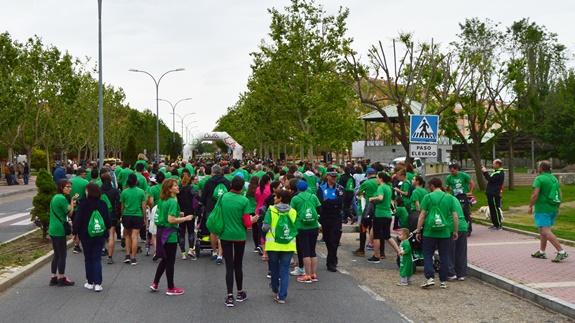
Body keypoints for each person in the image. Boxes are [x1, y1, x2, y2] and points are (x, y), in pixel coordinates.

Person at [219, 176, 258, 307]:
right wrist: (254, 219)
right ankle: (240, 292)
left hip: (225, 234)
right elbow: (247, 222)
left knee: (228, 265)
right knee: (238, 264)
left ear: (231, 185)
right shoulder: (244, 200)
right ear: (242, 187)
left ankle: (229, 296)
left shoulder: (223, 197)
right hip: (240, 235)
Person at [151, 179, 193, 296]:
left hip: (161, 232)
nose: (178, 187)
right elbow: (170, 219)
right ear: (169, 189)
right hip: (170, 234)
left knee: (164, 259)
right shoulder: (173, 201)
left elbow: (164, 214)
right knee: (170, 261)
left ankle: (155, 283)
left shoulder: (162, 200)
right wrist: (185, 218)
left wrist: (179, 214)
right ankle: (170, 287)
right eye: (175, 186)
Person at [416, 178, 459, 289]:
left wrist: (418, 230)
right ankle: (443, 281)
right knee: (444, 255)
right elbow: (455, 215)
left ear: (432, 186)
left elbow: (422, 215)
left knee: (427, 254)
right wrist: (455, 230)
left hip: (429, 232)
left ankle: (430, 277)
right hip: (444, 232)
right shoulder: (449, 198)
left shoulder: (427, 197)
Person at [73, 183, 111, 292]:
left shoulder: (83, 204)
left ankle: (90, 282)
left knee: (88, 258)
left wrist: (75, 233)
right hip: (99, 235)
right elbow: (108, 221)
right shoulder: (103, 204)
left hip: (85, 235)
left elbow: (78, 220)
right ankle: (98, 283)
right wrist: (107, 231)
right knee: (97, 258)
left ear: (88, 192)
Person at [529, 161, 568, 263]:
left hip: (542, 208)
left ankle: (561, 251)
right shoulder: (553, 178)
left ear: (541, 168)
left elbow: (535, 194)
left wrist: (530, 206)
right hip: (553, 208)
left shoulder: (539, 178)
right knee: (543, 230)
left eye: (538, 166)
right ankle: (542, 251)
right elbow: (559, 193)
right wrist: (558, 206)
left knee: (545, 231)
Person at [263, 190, 297, 304]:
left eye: (275, 197)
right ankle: (282, 296)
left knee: (274, 268)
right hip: (288, 244)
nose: (274, 198)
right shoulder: (293, 211)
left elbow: (265, 227)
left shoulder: (271, 210)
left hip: (273, 245)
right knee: (285, 270)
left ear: (280, 198)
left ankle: (275, 287)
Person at [290, 180, 321, 283]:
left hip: (301, 227)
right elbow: (319, 209)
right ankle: (313, 274)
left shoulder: (295, 198)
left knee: (305, 251)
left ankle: (306, 275)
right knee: (313, 251)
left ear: (298, 188)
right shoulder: (313, 196)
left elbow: (292, 213)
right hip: (314, 226)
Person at [48, 179, 77, 287]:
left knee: (56, 253)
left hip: (52, 228)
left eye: (70, 187)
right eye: (67, 187)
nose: (69, 189)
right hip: (59, 229)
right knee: (62, 255)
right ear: (61, 187)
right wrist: (72, 203)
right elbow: (70, 213)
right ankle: (61, 278)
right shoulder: (61, 198)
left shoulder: (55, 197)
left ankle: (53, 277)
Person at [367, 172, 401, 263]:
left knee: (377, 236)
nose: (376, 179)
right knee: (387, 236)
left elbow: (380, 198)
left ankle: (376, 256)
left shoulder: (381, 187)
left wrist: (372, 199)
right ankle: (399, 251)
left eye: (377, 178)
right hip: (388, 214)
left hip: (379, 214)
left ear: (381, 178)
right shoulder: (388, 187)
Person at [201, 164, 230, 264]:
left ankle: (214, 251)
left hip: (211, 209)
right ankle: (220, 254)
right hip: (224, 208)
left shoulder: (208, 182)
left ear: (212, 172)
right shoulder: (226, 182)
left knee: (213, 231)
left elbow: (203, 197)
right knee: (222, 231)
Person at [317, 171, 344, 272]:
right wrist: (331, 202)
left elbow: (340, 201)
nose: (333, 178)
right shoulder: (321, 188)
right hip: (325, 217)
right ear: (327, 177)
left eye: (335, 177)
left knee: (334, 240)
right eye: (332, 176)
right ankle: (332, 257)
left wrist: (328, 201)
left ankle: (331, 262)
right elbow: (320, 202)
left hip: (336, 217)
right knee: (328, 240)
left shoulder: (339, 188)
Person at [120, 173, 147, 265]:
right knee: (135, 236)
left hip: (126, 215)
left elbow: (122, 206)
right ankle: (133, 257)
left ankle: (127, 255)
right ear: (136, 181)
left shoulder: (124, 192)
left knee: (127, 235)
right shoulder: (141, 192)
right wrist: (144, 218)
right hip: (137, 215)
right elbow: (143, 206)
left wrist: (121, 215)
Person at [354, 168, 378, 257]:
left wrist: (363, 194)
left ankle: (361, 249)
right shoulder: (380, 182)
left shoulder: (366, 183)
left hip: (369, 208)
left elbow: (357, 193)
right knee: (376, 229)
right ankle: (381, 252)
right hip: (379, 209)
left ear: (368, 174)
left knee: (363, 227)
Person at [445, 163, 475, 235]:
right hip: (455, 197)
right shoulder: (449, 177)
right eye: (450, 171)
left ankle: (468, 229)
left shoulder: (463, 175)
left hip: (464, 196)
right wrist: (447, 190)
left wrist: (470, 192)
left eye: (453, 171)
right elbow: (447, 188)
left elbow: (472, 183)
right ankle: (456, 228)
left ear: (457, 169)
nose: (452, 173)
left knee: (466, 212)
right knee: (455, 213)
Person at [447, 193, 468, 281]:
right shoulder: (454, 198)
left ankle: (451, 273)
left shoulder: (444, 200)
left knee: (449, 251)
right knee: (461, 251)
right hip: (463, 225)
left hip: (452, 226)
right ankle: (461, 274)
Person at [101, 173, 121, 264]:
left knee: (100, 235)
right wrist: (118, 216)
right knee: (111, 235)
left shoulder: (98, 191)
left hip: (100, 216)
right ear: (110, 181)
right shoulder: (115, 191)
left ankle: (100, 250)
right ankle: (110, 256)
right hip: (112, 215)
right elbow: (118, 204)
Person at [177, 169, 197, 260]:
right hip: (190, 212)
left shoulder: (178, 189)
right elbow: (196, 197)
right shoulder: (191, 188)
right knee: (191, 231)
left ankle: (183, 253)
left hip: (181, 212)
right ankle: (190, 249)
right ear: (189, 179)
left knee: (181, 233)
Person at [70, 168, 89, 254]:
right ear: (81, 174)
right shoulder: (85, 182)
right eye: (85, 174)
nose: (85, 176)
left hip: (71, 207)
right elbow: (88, 195)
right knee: (82, 226)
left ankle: (76, 245)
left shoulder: (69, 181)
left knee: (75, 225)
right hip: (82, 208)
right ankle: (79, 244)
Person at [482, 159, 504, 230]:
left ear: (498, 164)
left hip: (494, 193)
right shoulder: (496, 172)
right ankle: (495, 224)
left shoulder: (499, 173)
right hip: (490, 193)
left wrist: (485, 172)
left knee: (495, 208)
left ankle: (498, 225)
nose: (492, 165)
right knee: (492, 209)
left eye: (494, 164)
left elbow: (490, 179)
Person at [245, 176, 260, 252]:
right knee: (259, 228)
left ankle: (256, 246)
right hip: (257, 209)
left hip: (250, 210)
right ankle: (260, 244)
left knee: (254, 229)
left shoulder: (248, 190)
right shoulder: (258, 190)